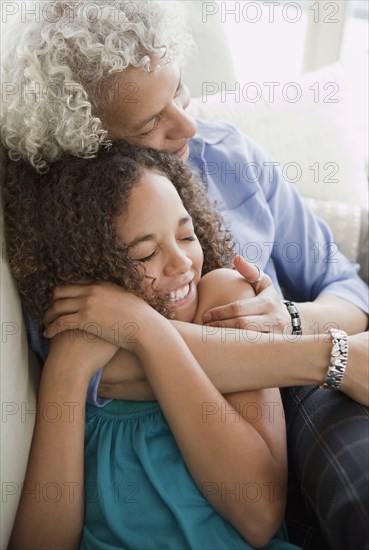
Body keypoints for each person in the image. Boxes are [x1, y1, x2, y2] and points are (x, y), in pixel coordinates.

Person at [1, 1, 368, 548]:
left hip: (295, 399)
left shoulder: (227, 154)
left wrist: (288, 319)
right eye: (151, 121)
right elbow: (99, 357)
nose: (188, 125)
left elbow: (350, 293)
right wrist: (317, 354)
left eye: (178, 90)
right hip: (293, 384)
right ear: (90, 148)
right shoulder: (67, 229)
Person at [6, 142, 302, 550]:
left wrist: (148, 333)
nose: (182, 263)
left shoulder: (221, 303)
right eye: (145, 253)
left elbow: (260, 515)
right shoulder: (77, 355)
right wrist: (64, 376)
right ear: (88, 268)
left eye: (186, 234)